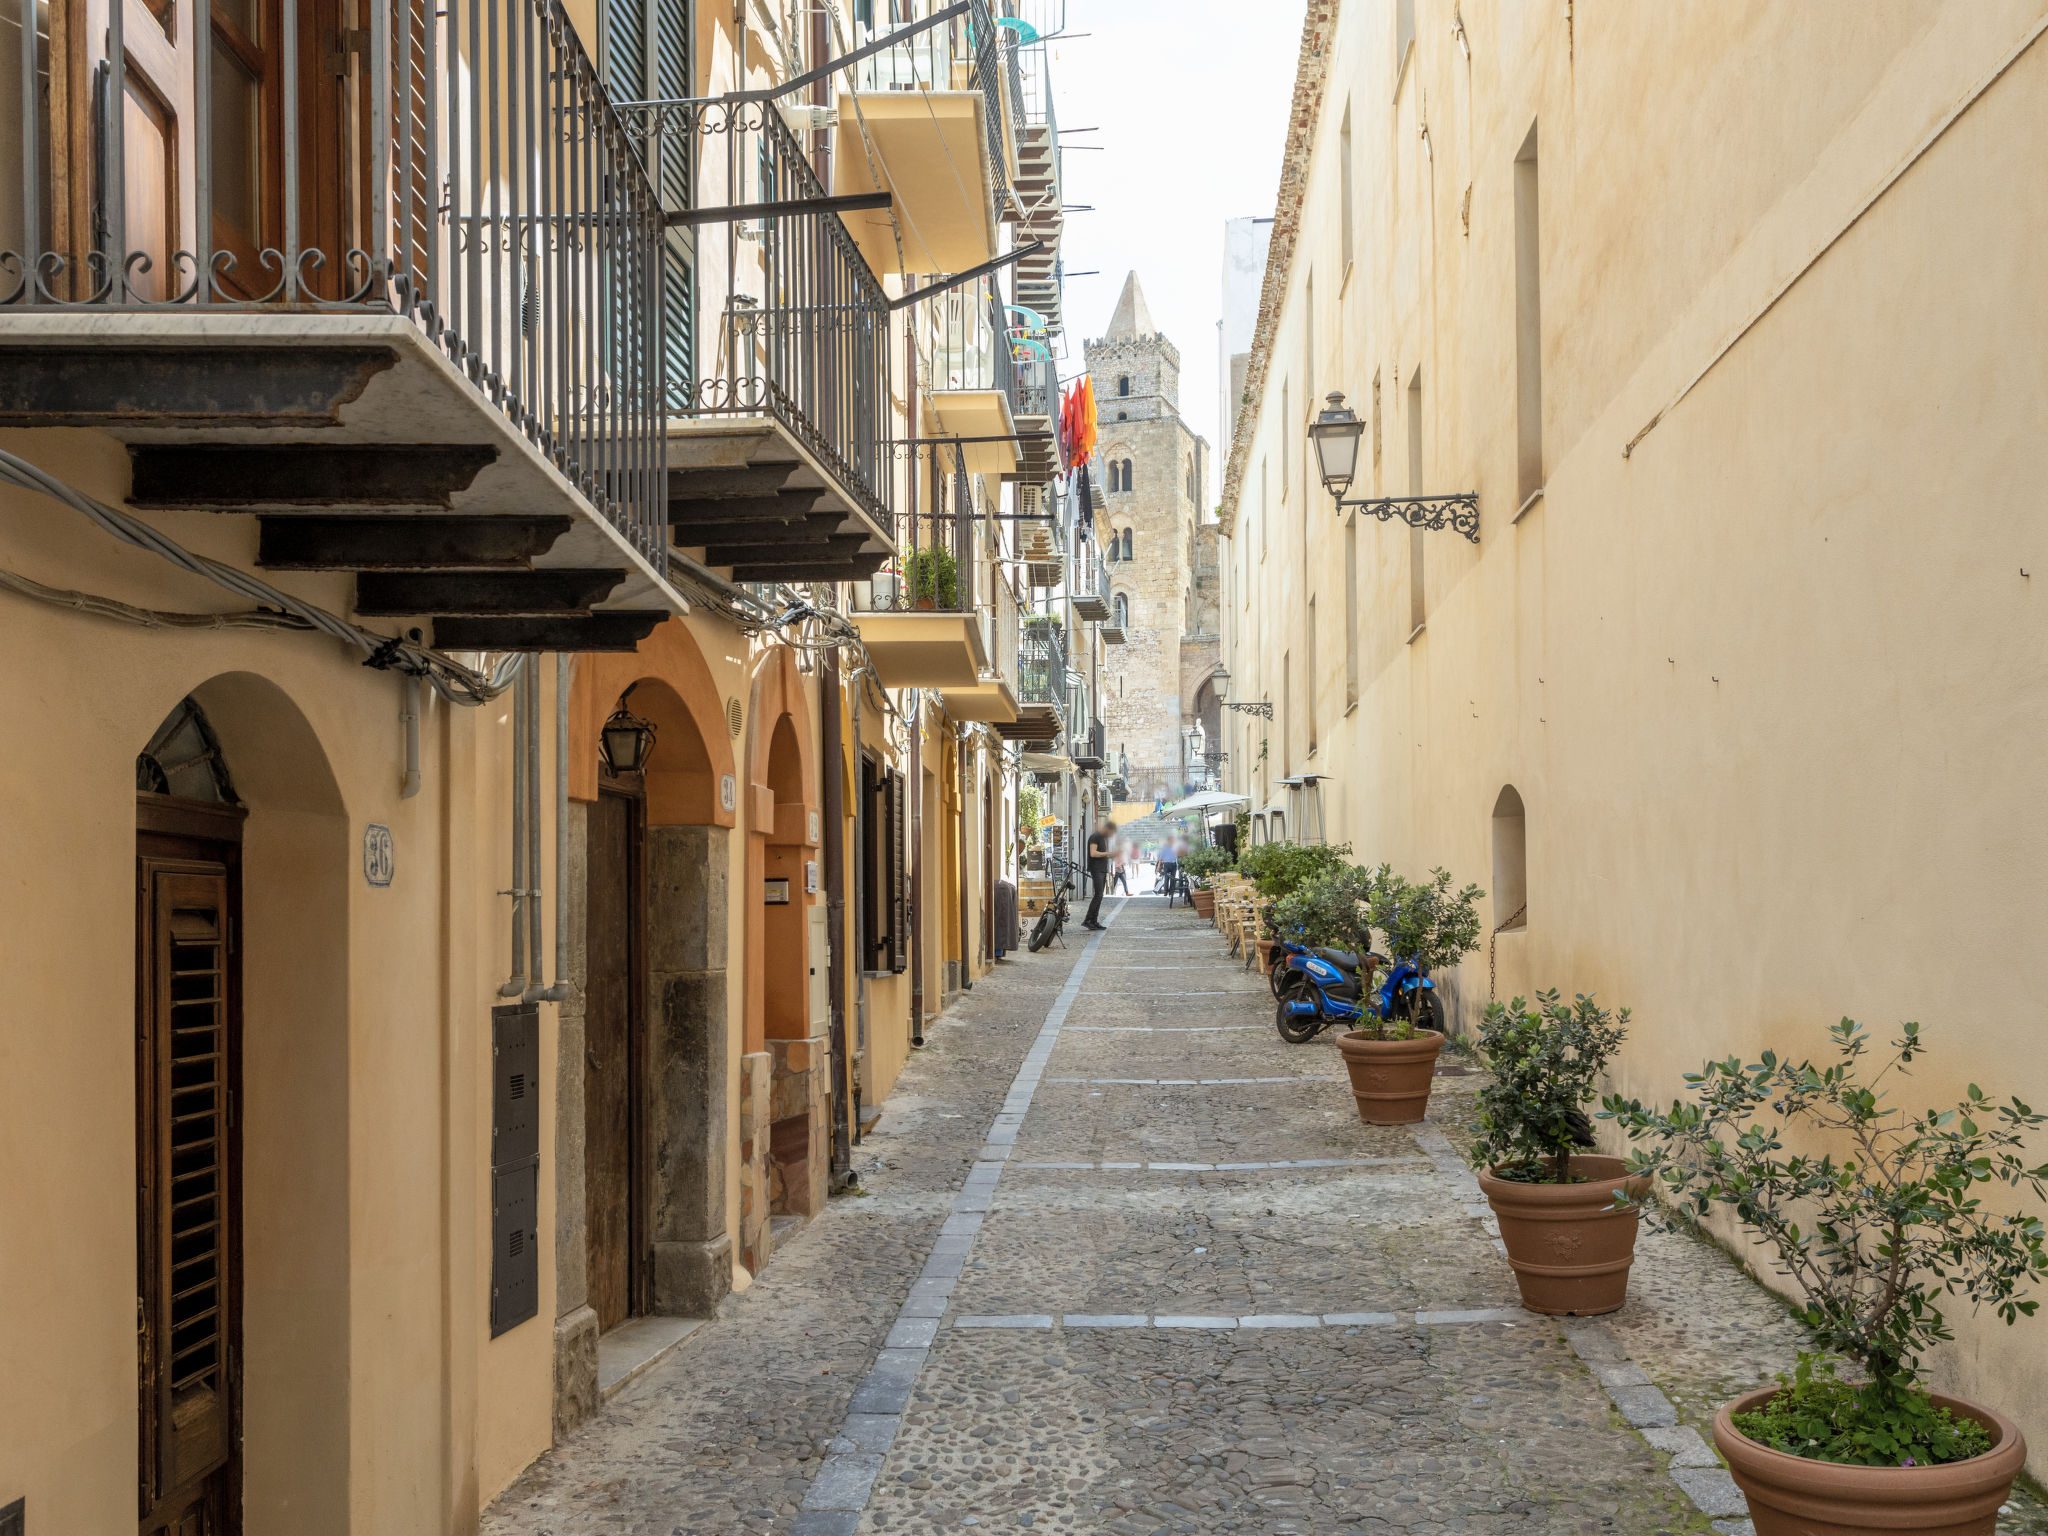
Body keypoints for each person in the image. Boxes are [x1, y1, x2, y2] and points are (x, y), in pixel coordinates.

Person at [1080, 818, 1114, 929]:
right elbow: (1093, 853)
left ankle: (1093, 921)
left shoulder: (1102, 838)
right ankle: (1088, 920)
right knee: (1098, 895)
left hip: (1102, 869)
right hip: (1097, 869)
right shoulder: (1096, 836)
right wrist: (1107, 854)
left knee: (1099, 896)